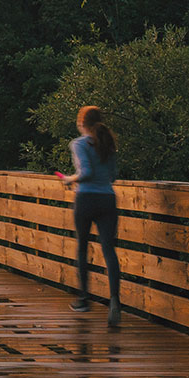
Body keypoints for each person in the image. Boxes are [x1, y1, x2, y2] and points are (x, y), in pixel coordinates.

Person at [58, 105, 122, 329]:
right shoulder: (109, 144)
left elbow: (86, 173)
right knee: (108, 250)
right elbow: (112, 177)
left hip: (86, 199)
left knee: (83, 247)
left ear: (81, 123)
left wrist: (69, 179)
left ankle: (83, 299)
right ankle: (114, 299)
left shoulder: (79, 144)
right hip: (107, 199)